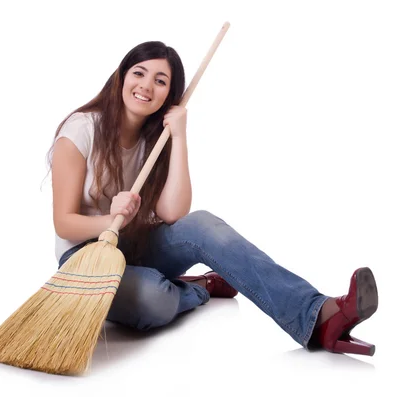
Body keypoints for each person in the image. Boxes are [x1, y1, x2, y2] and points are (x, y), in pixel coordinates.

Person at [47, 41, 379, 356]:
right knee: (154, 297)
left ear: (169, 96)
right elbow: (63, 223)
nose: (147, 86)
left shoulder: (155, 139)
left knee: (202, 225)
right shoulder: (81, 130)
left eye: (160, 81)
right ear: (121, 76)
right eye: (139, 73)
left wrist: (178, 136)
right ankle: (200, 287)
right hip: (84, 258)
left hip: (134, 245)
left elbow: (174, 211)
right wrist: (109, 219)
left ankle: (317, 316)